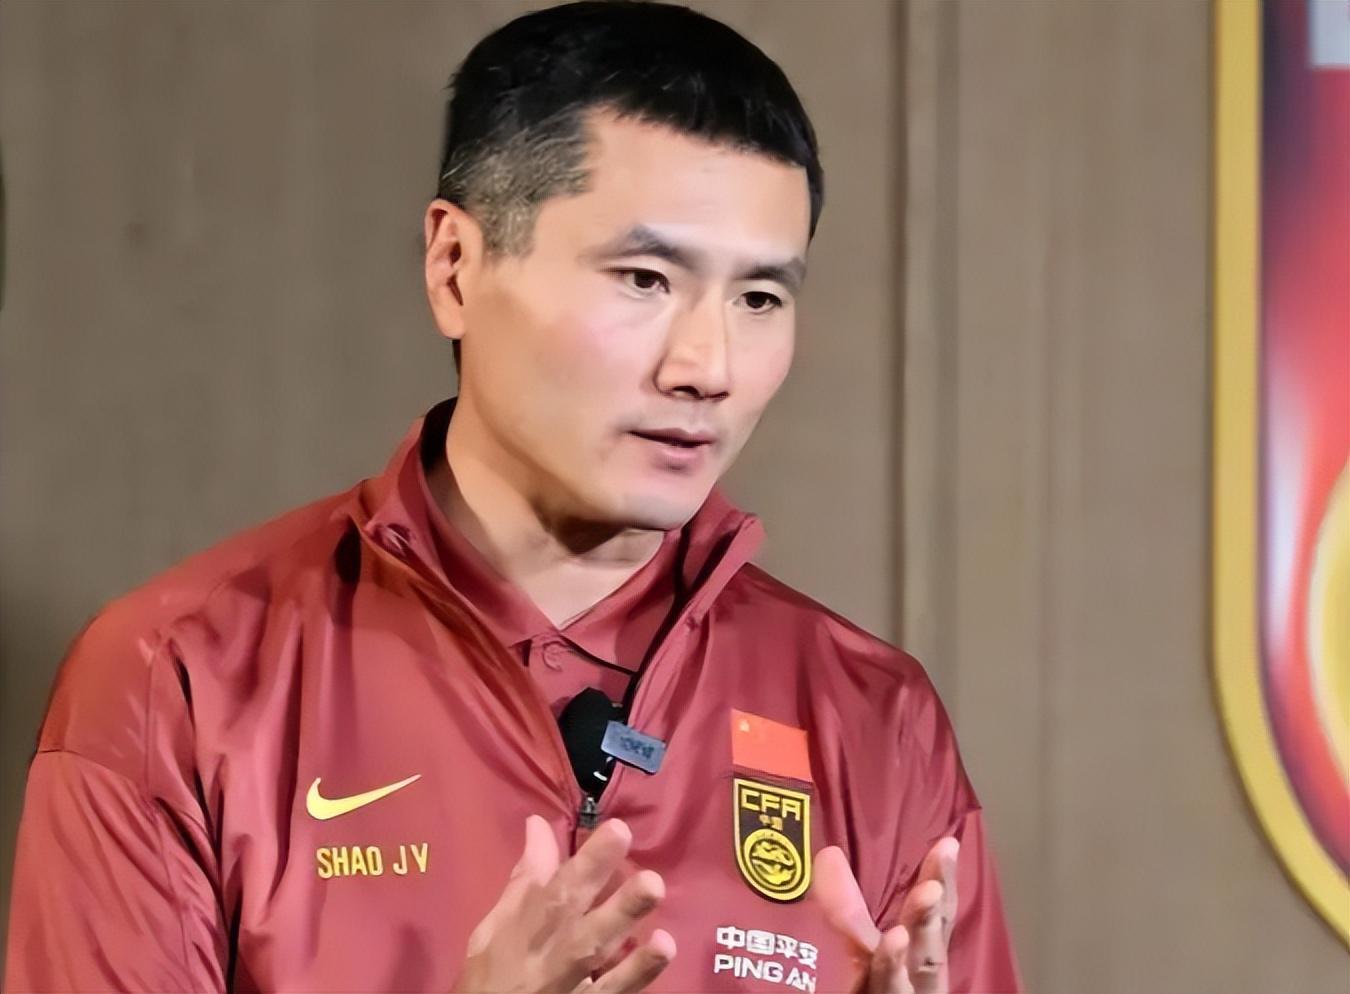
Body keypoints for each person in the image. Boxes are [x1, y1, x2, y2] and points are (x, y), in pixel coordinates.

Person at [3, 3, 1020, 992]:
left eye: (760, 297)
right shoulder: (180, 679)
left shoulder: (873, 719)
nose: (707, 367)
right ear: (455, 267)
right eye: (644, 279)